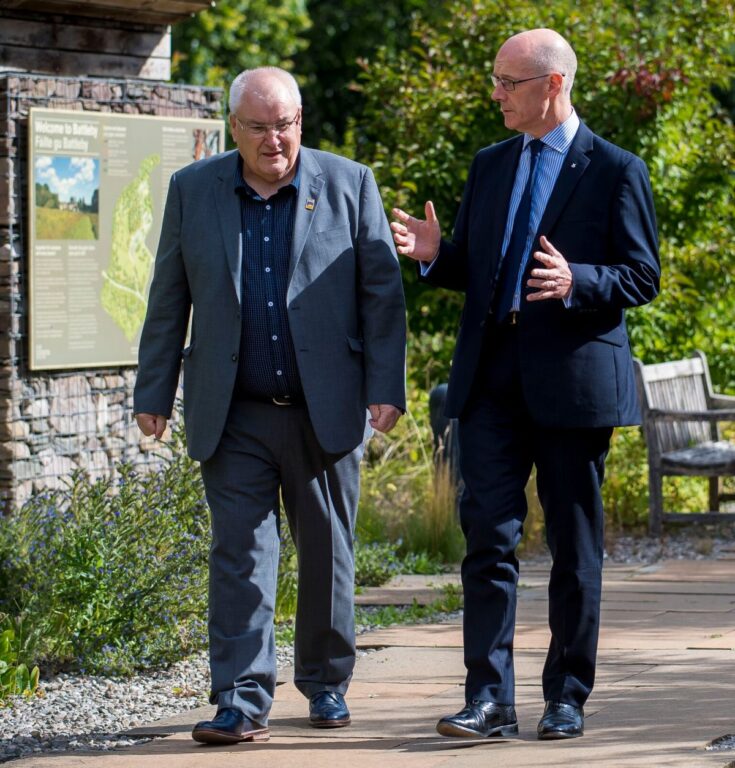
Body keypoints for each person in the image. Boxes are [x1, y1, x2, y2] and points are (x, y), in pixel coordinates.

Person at [392, 29, 659, 740]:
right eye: (495, 80)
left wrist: (580, 280)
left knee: (574, 549)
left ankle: (565, 695)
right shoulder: (490, 165)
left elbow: (641, 275)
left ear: (552, 85)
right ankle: (488, 698)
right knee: (486, 537)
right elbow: (485, 268)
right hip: (490, 379)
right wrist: (434, 257)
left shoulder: (613, 169)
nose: (495, 94)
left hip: (572, 384)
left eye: (507, 82)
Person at [135, 67, 406, 745]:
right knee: (239, 556)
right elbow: (169, 297)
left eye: (285, 124)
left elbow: (381, 296)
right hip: (235, 410)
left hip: (327, 406)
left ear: (300, 121)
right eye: (258, 127)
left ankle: (325, 684)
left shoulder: (349, 184)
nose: (274, 139)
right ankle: (240, 696)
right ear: (234, 128)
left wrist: (385, 385)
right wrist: (153, 392)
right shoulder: (193, 190)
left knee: (327, 553)